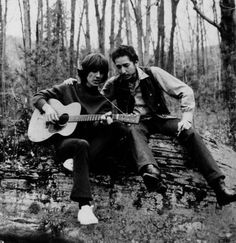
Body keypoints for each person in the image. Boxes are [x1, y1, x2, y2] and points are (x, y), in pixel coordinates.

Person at [101, 45, 236, 207]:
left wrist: (186, 117)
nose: (122, 70)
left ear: (136, 62)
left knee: (189, 132)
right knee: (132, 130)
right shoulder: (114, 83)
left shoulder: (153, 73)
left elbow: (185, 91)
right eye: (118, 67)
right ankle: (151, 173)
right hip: (137, 123)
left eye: (126, 65)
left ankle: (219, 187)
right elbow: (99, 101)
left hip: (160, 118)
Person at [32, 53, 130, 225]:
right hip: (66, 144)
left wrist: (103, 122)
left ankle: (78, 164)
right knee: (80, 144)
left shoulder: (103, 102)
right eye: (93, 71)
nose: (98, 76)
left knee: (117, 128)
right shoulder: (68, 88)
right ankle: (84, 206)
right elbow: (37, 96)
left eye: (102, 72)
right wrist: (47, 108)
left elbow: (99, 131)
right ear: (84, 72)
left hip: (88, 150)